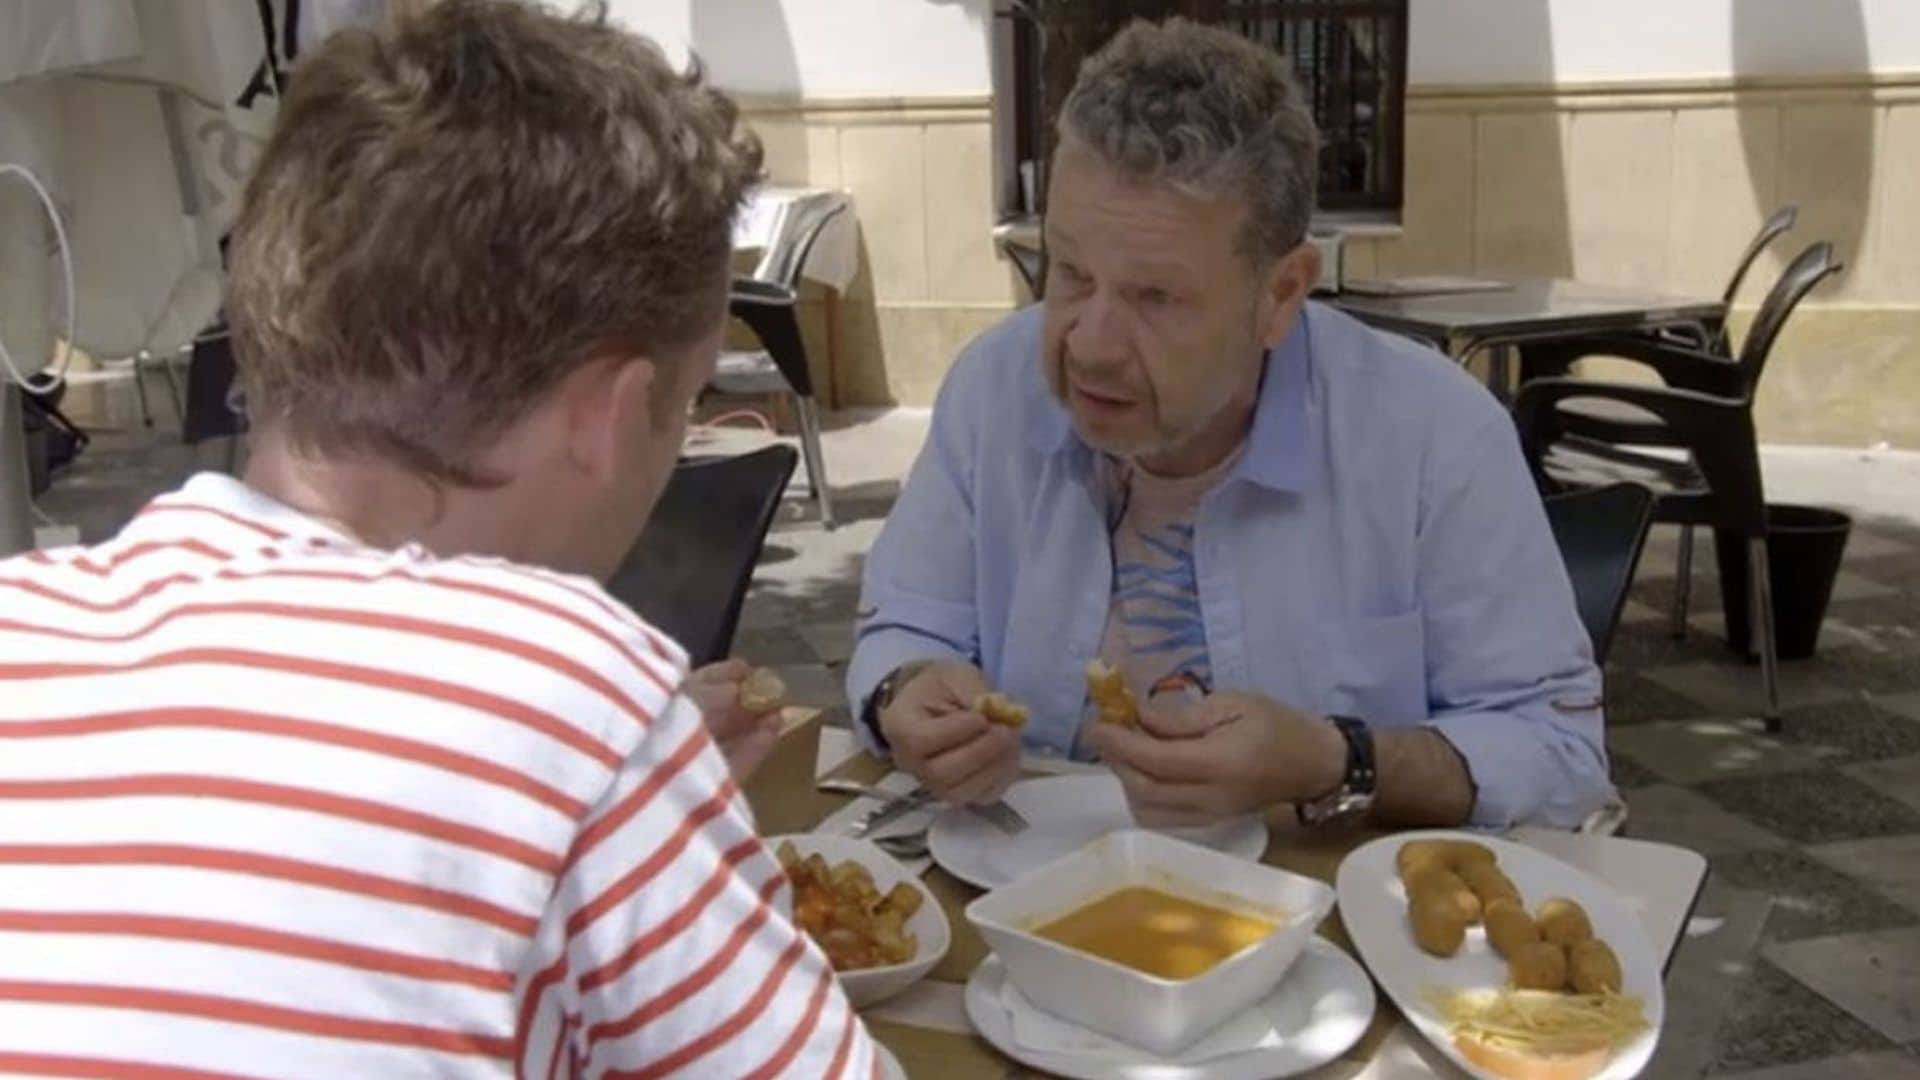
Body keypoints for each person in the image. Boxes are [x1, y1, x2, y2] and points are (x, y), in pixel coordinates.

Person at [0, 3, 882, 1076]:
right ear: (608, 415)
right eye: (688, 404)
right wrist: (619, 794)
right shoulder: (563, 695)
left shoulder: (26, 624)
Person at [848, 18, 1610, 832]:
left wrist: (1335, 760)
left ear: (1281, 294)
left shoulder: (1434, 436)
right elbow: (903, 623)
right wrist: (907, 689)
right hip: (1013, 902)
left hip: (1322, 929)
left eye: (1156, 298)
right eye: (1067, 272)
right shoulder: (993, 388)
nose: (1090, 347)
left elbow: (1559, 752)